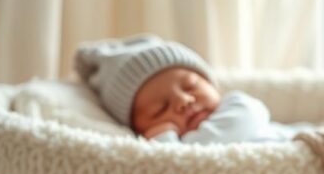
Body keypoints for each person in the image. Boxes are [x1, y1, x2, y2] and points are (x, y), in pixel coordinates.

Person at [74, 34, 300, 143]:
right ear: (138, 129)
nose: (183, 101)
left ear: (210, 82)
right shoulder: (148, 152)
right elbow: (174, 172)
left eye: (190, 86)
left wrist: (168, 143)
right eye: (160, 109)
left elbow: (193, 157)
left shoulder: (240, 107)